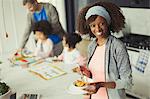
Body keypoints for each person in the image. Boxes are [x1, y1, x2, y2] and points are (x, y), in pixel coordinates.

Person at [76, 1, 132, 99]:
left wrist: (100, 84)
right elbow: (93, 74)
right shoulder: (91, 46)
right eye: (93, 25)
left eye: (101, 24)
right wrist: (85, 71)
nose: (97, 29)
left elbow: (127, 82)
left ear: (108, 23)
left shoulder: (117, 46)